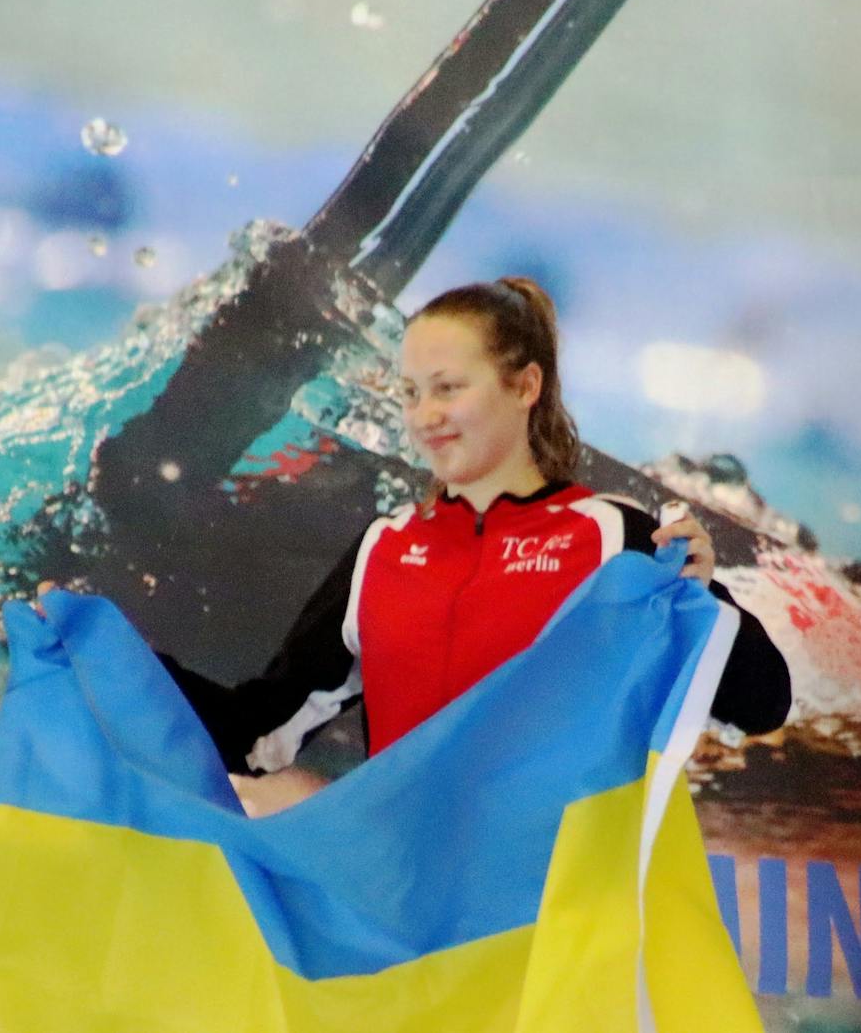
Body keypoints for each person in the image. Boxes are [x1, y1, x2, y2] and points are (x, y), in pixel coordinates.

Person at [161, 276, 793, 777]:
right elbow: (258, 737)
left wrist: (701, 601)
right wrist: (114, 663)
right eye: (411, 393)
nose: (424, 416)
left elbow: (762, 705)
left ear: (525, 387)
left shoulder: (610, 538)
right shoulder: (385, 549)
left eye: (448, 388)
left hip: (551, 901)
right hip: (403, 899)